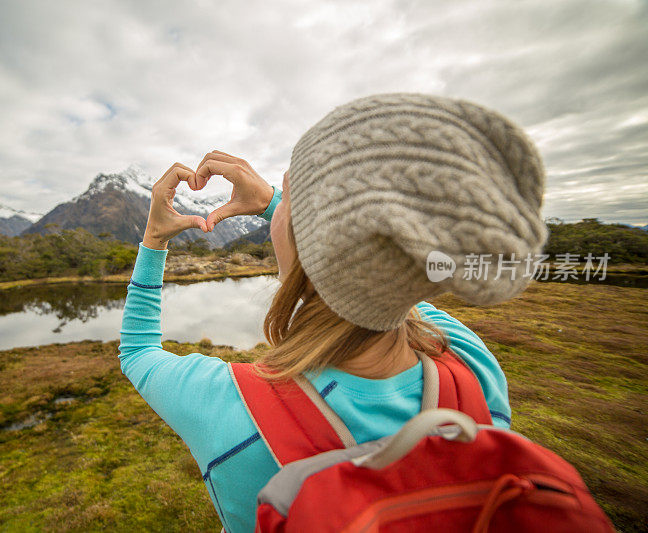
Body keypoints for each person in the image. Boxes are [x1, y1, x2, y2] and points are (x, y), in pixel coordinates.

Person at [118, 93, 548, 532]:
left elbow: (136, 353)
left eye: (288, 196)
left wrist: (154, 238)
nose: (277, 204)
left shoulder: (230, 407)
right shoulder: (469, 361)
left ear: (306, 237)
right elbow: (388, 273)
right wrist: (281, 205)